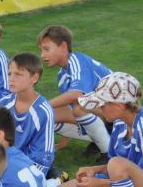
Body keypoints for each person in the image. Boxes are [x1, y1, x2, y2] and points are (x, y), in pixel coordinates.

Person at [37, 25, 111, 154]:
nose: (42, 56)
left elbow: (75, 95)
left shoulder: (77, 61)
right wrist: (63, 142)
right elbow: (70, 102)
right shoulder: (62, 74)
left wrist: (40, 105)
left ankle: (108, 151)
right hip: (103, 112)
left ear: (63, 46)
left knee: (78, 108)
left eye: (46, 49)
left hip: (119, 114)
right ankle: (100, 141)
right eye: (41, 50)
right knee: (46, 114)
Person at [0, 53, 55, 174]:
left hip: (30, 165)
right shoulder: (4, 104)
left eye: (18, 74)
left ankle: (55, 179)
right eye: (9, 73)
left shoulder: (43, 112)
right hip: (6, 159)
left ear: (34, 78)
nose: (11, 78)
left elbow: (43, 158)